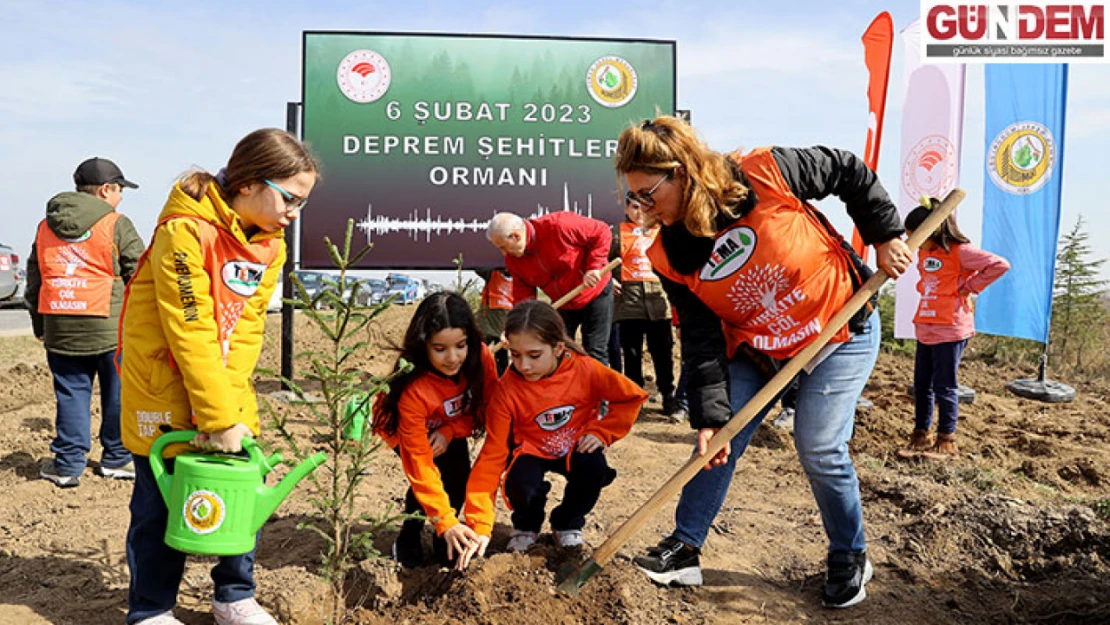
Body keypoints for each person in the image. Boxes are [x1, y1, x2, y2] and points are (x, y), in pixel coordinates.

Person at [616, 116, 911, 609]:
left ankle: (850, 553)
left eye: (649, 194)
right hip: (761, 348)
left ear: (683, 172)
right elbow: (702, 339)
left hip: (839, 326)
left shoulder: (764, 172)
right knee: (717, 441)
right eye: (636, 197)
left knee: (818, 445)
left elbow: (847, 170)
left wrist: (884, 234)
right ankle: (685, 549)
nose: (643, 208)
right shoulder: (669, 254)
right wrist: (710, 418)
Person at [118, 129, 318, 625]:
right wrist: (215, 416)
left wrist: (230, 413)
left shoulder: (270, 246)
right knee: (157, 503)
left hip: (224, 384)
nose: (294, 213)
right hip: (163, 385)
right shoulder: (183, 230)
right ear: (249, 183)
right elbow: (190, 328)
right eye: (289, 198)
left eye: (302, 202)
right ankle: (151, 609)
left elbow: (247, 329)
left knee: (243, 485)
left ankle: (234, 595)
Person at [457, 300, 647, 568]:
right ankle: (526, 527)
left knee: (592, 468)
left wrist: (602, 431)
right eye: (515, 355)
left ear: (558, 348)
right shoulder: (506, 391)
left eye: (534, 355)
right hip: (530, 449)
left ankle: (567, 523)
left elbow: (631, 397)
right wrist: (479, 524)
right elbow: (492, 455)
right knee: (522, 482)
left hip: (574, 446)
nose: (524, 365)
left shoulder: (585, 369)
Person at [26, 157, 144, 488]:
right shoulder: (117, 224)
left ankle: (67, 465)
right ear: (106, 189)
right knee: (117, 391)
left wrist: (40, 326)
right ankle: (117, 458)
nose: (120, 197)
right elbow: (140, 275)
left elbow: (35, 281)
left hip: (61, 326)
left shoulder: (44, 226)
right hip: (111, 328)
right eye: (120, 190)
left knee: (71, 394)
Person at [372, 291, 498, 568]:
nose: (453, 358)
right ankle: (409, 534)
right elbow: (419, 464)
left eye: (461, 346)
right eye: (440, 349)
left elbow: (485, 411)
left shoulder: (481, 359)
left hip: (450, 422)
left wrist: (451, 431)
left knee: (458, 475)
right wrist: (445, 521)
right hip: (402, 427)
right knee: (432, 473)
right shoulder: (413, 389)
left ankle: (445, 540)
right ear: (423, 346)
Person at [898, 197, 1009, 460]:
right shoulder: (924, 252)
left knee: (945, 386)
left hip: (951, 328)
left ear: (932, 229)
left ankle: (946, 439)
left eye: (914, 234)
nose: (910, 239)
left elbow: (999, 264)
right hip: (926, 325)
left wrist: (968, 287)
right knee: (921, 384)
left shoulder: (961, 251)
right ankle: (920, 435)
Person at [486, 211, 614, 365]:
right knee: (561, 351)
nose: (503, 253)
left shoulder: (559, 225)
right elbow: (523, 299)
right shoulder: (514, 262)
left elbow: (602, 231)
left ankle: (600, 388)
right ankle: (569, 388)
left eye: (504, 247)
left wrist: (594, 267)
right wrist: (515, 327)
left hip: (595, 292)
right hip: (562, 303)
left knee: (594, 349)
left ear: (516, 236)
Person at [610, 197, 679, 417]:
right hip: (629, 300)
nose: (639, 212)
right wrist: (609, 279)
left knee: (663, 350)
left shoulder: (663, 230)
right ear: (627, 208)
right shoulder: (617, 232)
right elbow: (602, 259)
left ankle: (668, 395)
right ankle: (636, 397)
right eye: (634, 207)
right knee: (631, 352)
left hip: (659, 298)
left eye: (644, 207)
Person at [475, 267, 512, 374]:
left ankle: (501, 379)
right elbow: (479, 266)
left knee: (502, 358)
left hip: (503, 326)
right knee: (480, 353)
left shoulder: (518, 279)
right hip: (487, 323)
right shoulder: (492, 273)